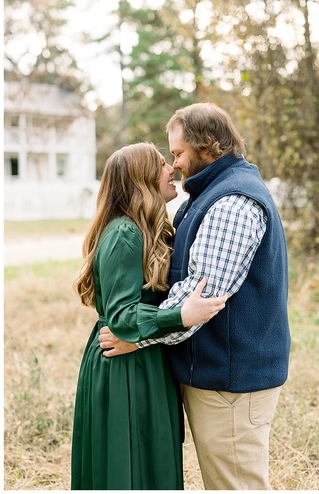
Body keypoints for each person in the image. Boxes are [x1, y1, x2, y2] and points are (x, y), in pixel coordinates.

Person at [99, 102, 291, 490]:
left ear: (208, 146)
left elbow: (199, 297)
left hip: (231, 382)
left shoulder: (232, 202)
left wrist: (135, 336)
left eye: (178, 153)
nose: (175, 165)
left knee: (235, 485)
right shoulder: (205, 196)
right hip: (215, 376)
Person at [71, 143, 228, 489]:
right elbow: (122, 316)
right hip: (123, 368)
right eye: (161, 164)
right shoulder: (124, 235)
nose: (171, 168)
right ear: (141, 179)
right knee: (127, 469)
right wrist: (180, 315)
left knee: (151, 463)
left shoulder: (148, 229)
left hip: (146, 358)